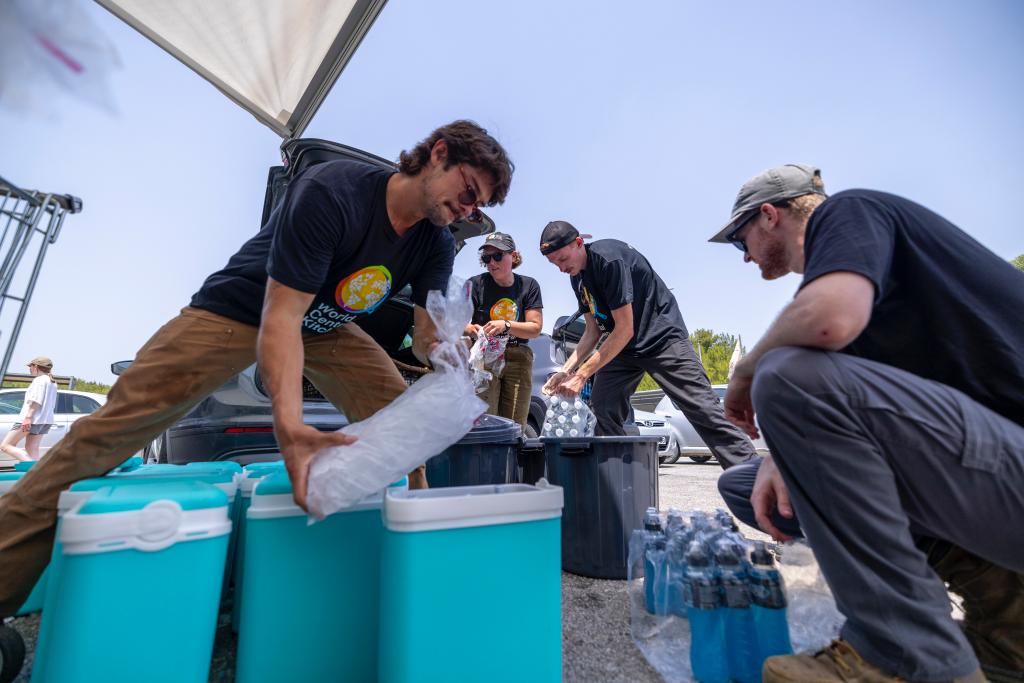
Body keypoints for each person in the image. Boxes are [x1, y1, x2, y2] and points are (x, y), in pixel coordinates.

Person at [0, 120, 514, 617]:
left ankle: (412, 579)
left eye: (480, 205)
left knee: (408, 431)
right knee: (109, 433)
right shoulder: (334, 191)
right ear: (438, 153)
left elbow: (426, 333)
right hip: (240, 310)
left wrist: (447, 356)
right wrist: (289, 428)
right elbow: (281, 317)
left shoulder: (435, 240)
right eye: (469, 191)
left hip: (327, 327)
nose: (469, 209)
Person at [709, 163, 1023, 682]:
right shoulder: (873, 301)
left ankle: (901, 656)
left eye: (741, 240)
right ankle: (1009, 634)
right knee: (750, 487)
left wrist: (746, 372)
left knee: (783, 374)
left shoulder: (850, 210)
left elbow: (827, 320)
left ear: (770, 215)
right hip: (994, 482)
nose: (744, 256)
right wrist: (786, 452)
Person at [539, 220, 756, 467]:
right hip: (624, 348)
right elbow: (592, 331)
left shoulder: (609, 259)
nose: (561, 268)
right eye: (554, 263)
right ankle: (617, 476)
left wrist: (581, 376)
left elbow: (625, 328)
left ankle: (750, 473)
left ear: (579, 243)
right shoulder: (577, 277)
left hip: (661, 339)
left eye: (563, 259)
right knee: (603, 408)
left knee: (703, 408)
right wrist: (566, 371)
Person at [465, 232, 543, 429]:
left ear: (513, 256)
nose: (492, 262)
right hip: (485, 358)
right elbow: (455, 321)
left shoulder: (529, 285)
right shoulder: (475, 284)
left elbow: (535, 328)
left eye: (498, 256)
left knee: (515, 426)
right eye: (486, 258)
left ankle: (512, 451)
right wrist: (469, 328)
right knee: (484, 422)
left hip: (518, 358)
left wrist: (506, 325)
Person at [0, 357, 58, 462]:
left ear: (36, 366)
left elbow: (36, 400)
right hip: (45, 420)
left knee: (6, 446)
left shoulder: (39, 380)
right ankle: (37, 471)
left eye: (30, 366)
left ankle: (32, 466)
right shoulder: (52, 382)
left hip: (32, 419)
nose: (29, 369)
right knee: (31, 448)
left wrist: (28, 417)